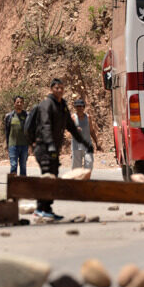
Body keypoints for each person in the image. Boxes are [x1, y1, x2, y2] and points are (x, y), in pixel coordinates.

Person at [33, 78, 93, 220]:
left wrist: (85, 142)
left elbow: (71, 127)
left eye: (61, 88)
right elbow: (46, 126)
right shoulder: (46, 105)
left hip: (53, 149)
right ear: (51, 89)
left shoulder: (62, 106)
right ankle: (40, 209)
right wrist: (50, 145)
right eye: (56, 88)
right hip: (44, 148)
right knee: (47, 177)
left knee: (52, 177)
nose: (59, 90)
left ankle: (47, 208)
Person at [71, 98, 100, 170]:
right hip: (76, 146)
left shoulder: (88, 117)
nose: (79, 108)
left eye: (81, 106)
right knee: (76, 168)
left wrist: (96, 143)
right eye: (77, 106)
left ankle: (86, 180)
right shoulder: (73, 117)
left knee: (89, 163)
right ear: (75, 108)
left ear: (84, 107)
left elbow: (91, 131)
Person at [4, 96, 28, 176]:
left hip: (24, 145)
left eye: (21, 102)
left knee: (23, 166)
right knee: (13, 165)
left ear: (23, 104)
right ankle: (13, 186)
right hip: (13, 146)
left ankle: (23, 186)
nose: (19, 104)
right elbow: (7, 131)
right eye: (17, 102)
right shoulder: (9, 116)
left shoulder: (26, 116)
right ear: (14, 104)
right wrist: (6, 143)